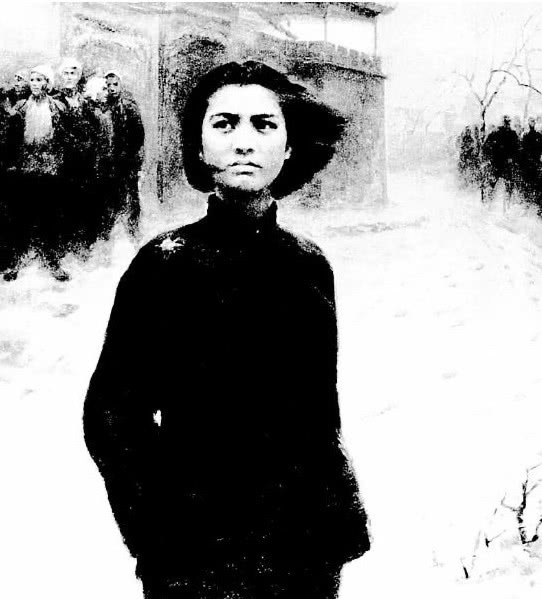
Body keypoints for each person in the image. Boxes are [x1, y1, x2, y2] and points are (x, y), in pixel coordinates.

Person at [84, 60, 370, 599]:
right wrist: (157, 530)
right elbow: (111, 416)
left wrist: (336, 519)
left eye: (264, 125)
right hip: (197, 553)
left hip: (302, 547)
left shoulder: (309, 265)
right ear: (198, 146)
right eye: (224, 124)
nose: (244, 142)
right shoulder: (164, 264)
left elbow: (318, 411)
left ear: (289, 146)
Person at [2, 64, 70, 281]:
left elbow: (66, 140)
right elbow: (10, 140)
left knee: (49, 217)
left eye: (40, 80)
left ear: (48, 84)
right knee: (21, 217)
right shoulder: (21, 107)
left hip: (50, 171)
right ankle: (17, 261)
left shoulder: (58, 108)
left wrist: (58, 161)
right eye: (32, 80)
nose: (35, 84)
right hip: (25, 170)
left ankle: (52, 260)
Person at [104, 69, 145, 239]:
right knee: (111, 197)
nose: (112, 88)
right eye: (108, 85)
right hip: (109, 162)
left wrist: (132, 158)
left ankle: (133, 232)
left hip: (127, 161)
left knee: (131, 197)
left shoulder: (129, 107)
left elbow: (138, 136)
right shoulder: (104, 106)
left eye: (115, 84)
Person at [482, 114, 520, 205]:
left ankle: (508, 203)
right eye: (505, 122)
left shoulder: (512, 134)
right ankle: (487, 202)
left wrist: (512, 158)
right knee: (492, 182)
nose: (507, 124)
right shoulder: (496, 133)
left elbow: (517, 148)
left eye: (508, 122)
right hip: (497, 162)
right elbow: (486, 146)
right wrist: (490, 158)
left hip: (507, 163)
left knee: (510, 183)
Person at [520, 116, 542, 208]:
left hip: (536, 163)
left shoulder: (538, 135)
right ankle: (528, 202)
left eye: (533, 122)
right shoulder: (525, 136)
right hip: (528, 164)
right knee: (528, 183)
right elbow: (523, 150)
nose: (532, 123)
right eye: (531, 122)